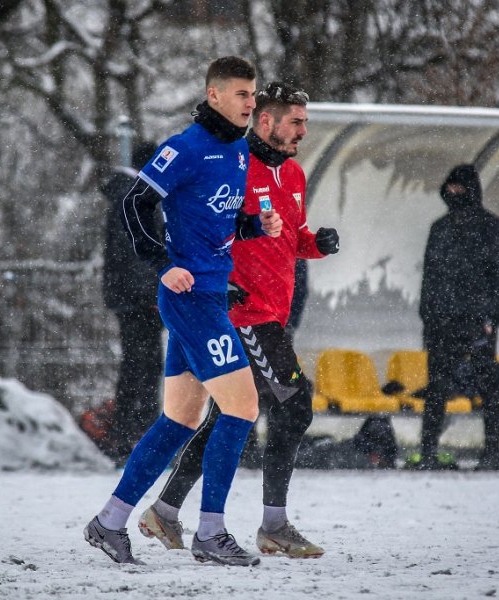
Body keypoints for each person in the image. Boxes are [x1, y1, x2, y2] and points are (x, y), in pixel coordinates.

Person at [84, 56, 283, 567]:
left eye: (253, 94)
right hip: (189, 300)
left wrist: (257, 227)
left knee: (181, 418)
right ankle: (210, 533)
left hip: (212, 295)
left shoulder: (237, 151)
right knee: (242, 408)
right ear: (214, 95)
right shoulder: (184, 147)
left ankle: (109, 521)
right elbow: (133, 204)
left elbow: (218, 225)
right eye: (241, 94)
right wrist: (162, 265)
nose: (250, 103)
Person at [136, 81, 339, 560]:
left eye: (305, 123)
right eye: (295, 122)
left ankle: (165, 509)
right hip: (241, 311)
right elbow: (203, 224)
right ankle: (273, 524)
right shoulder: (234, 165)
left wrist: (316, 244)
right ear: (265, 121)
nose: (302, 132)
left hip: (273, 312)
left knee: (234, 414)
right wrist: (197, 274)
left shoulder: (292, 174)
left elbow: (291, 237)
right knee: (293, 405)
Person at [418, 164, 499, 471]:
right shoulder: (442, 228)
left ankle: (490, 451)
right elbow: (430, 280)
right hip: (444, 323)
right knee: (438, 389)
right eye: (451, 188)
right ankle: (429, 451)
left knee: (486, 388)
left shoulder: (493, 229)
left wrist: (489, 316)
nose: (453, 194)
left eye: (459, 188)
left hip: (475, 323)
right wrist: (428, 318)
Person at [95, 140, 163, 461]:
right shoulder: (136, 198)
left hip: (129, 298)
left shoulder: (127, 195)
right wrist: (152, 295)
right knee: (145, 368)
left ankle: (130, 437)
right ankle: (137, 439)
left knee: (138, 366)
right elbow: (138, 254)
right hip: (139, 301)